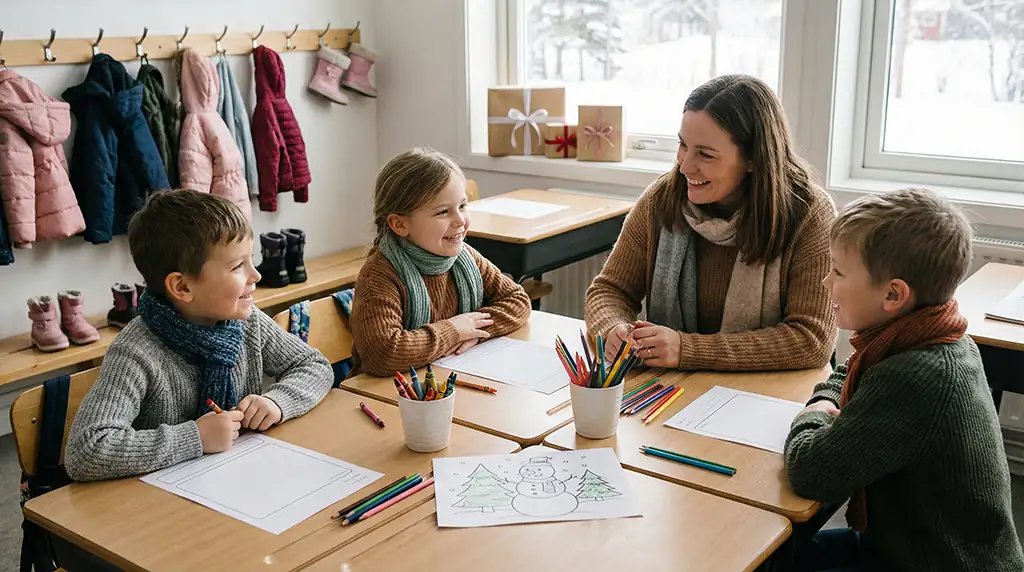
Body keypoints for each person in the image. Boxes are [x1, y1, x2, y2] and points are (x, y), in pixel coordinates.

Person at [785, 188, 1024, 571]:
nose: (826, 282)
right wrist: (831, 399)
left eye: (839, 271)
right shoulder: (937, 332)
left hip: (931, 562)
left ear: (893, 294)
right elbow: (853, 368)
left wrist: (813, 411)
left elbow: (811, 471)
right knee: (780, 554)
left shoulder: (916, 376)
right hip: (909, 546)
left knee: (767, 555)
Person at [65, 190, 333, 481]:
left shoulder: (246, 322)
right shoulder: (136, 351)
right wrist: (195, 438)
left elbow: (314, 366)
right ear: (182, 288)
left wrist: (277, 402)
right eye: (237, 266)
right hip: (161, 504)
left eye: (250, 260)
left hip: (240, 478)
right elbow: (86, 451)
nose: (256, 276)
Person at [585, 74, 836, 371]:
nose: (685, 165)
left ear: (754, 158)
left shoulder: (810, 214)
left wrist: (687, 349)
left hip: (769, 395)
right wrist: (613, 329)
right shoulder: (662, 199)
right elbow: (609, 291)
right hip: (675, 389)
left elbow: (812, 339)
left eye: (705, 154)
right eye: (683, 145)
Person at [349, 148, 532, 377]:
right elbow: (383, 354)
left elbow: (518, 300)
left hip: (448, 380)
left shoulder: (465, 257)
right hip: (386, 395)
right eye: (443, 212)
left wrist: (473, 331)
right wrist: (454, 331)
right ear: (400, 224)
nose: (460, 221)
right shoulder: (380, 275)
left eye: (463, 206)